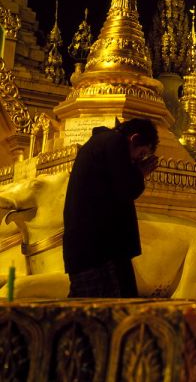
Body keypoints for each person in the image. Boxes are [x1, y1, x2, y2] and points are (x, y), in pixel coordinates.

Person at [63, 118, 159, 297]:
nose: (137, 160)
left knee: (93, 309)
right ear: (134, 138)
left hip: (93, 247)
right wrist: (140, 172)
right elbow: (126, 189)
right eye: (141, 153)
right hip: (96, 250)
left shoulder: (103, 143)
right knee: (99, 311)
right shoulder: (114, 142)